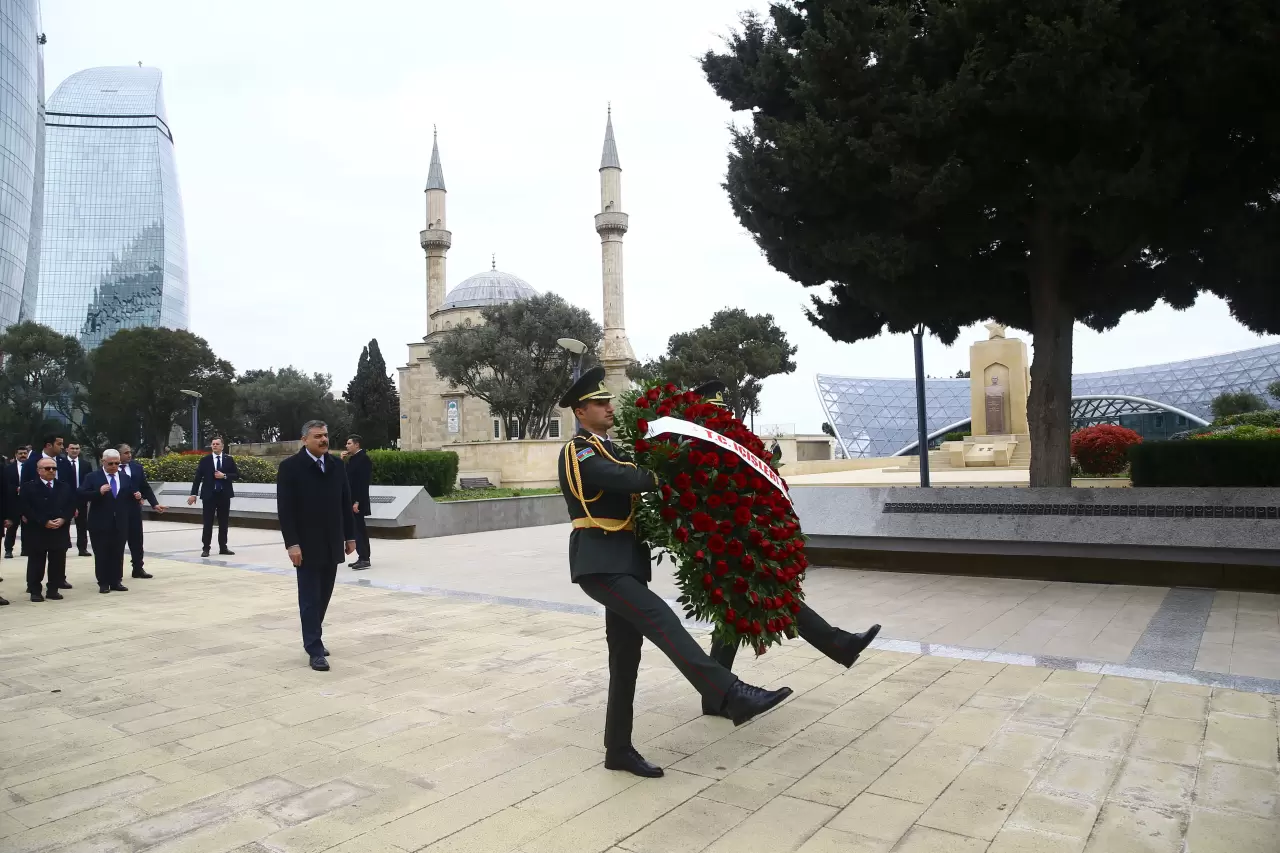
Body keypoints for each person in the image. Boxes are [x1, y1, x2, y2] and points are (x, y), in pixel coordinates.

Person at [559, 366, 793, 779]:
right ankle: (729, 692)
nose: (610, 407)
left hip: (624, 563)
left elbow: (636, 478)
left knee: (626, 659)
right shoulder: (579, 450)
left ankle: (618, 749)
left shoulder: (612, 446)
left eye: (609, 400)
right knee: (663, 620)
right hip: (599, 562)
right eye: (600, 403)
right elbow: (615, 478)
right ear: (580, 412)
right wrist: (664, 469)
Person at [691, 381, 881, 716]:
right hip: (723, 544)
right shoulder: (696, 449)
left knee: (741, 611)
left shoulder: (733, 447)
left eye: (723, 413)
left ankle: (715, 695)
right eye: (714, 413)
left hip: (745, 538)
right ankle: (840, 644)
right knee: (764, 601)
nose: (721, 420)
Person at [276, 420, 356, 672]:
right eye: (318, 436)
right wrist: (292, 544)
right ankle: (314, 648)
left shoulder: (336, 465)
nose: (324, 440)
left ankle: (313, 636)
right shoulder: (290, 468)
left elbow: (345, 502)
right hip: (306, 545)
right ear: (304, 440)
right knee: (310, 598)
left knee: (323, 596)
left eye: (325, 435)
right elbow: (285, 509)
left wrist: (350, 536)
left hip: (332, 541)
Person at [80, 450, 136, 594]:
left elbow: (128, 495)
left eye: (117, 463)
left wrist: (136, 495)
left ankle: (116, 581)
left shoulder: (124, 477)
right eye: (110, 463)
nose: (113, 466)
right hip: (100, 523)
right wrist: (98, 492)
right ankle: (103, 582)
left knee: (118, 553)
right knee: (102, 553)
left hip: (120, 522)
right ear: (103, 462)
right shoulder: (92, 477)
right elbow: (81, 494)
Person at [20, 457, 75, 601]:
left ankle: (53, 589)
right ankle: (35, 590)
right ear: (39, 471)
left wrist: (64, 518)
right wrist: (43, 521)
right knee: (36, 562)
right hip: (38, 530)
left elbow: (71, 506)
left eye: (54, 468)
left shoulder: (64, 486)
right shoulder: (29, 487)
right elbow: (26, 508)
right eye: (47, 468)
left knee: (57, 561)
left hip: (59, 529)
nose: (51, 471)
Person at [119, 444, 166, 579]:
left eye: (130, 452)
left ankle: (138, 568)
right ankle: (116, 572)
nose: (129, 455)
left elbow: (145, 487)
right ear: (118, 454)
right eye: (126, 453)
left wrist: (155, 504)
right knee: (119, 541)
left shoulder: (136, 467)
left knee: (137, 540)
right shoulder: (111, 468)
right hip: (118, 509)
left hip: (134, 509)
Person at [187, 438, 238, 557]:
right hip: (209, 496)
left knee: (224, 522)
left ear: (222, 446)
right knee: (208, 522)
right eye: (213, 444)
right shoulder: (205, 460)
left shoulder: (229, 460)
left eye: (217, 444)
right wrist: (193, 494)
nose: (215, 446)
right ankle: (206, 548)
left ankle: (223, 547)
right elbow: (197, 478)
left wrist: (224, 476)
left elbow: (236, 475)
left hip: (224, 495)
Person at [343, 435, 372, 571]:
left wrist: (358, 502)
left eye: (349, 443)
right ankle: (362, 557)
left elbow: (362, 483)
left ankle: (365, 558)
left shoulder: (363, 459)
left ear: (357, 445)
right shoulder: (353, 459)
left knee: (359, 530)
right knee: (357, 530)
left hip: (357, 502)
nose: (346, 446)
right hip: (351, 500)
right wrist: (341, 460)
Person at [64, 443, 93, 556]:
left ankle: (82, 548)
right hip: (66, 498)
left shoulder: (86, 464)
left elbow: (89, 481)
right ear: (67, 449)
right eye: (72, 448)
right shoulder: (61, 463)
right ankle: (64, 545)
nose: (75, 451)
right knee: (65, 522)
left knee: (82, 524)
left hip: (81, 498)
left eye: (77, 449)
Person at [4, 446, 31, 558]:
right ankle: (8, 549)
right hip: (14, 502)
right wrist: (16, 489)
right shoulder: (8, 469)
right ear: (16, 455)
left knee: (27, 527)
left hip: (27, 502)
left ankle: (25, 549)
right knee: (12, 527)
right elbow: (5, 484)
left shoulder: (32, 467)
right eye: (20, 453)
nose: (23, 455)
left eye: (25, 453)